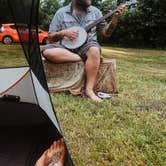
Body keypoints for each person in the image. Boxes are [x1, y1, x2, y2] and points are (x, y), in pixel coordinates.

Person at [42, 0, 125, 102]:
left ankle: (89, 90)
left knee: (94, 50)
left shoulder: (95, 12)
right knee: (47, 52)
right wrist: (64, 33)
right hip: (66, 49)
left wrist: (115, 18)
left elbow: (106, 33)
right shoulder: (61, 13)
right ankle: (87, 59)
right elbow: (50, 37)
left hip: (87, 45)